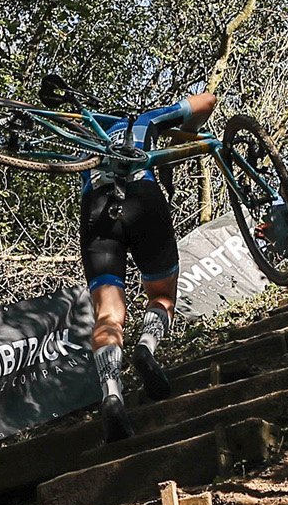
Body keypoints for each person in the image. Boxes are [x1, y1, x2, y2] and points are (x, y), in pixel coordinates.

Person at [83, 90, 217, 443]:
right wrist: (182, 129)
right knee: (162, 295)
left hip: (97, 208)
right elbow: (208, 100)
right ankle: (145, 346)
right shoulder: (142, 121)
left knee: (108, 315)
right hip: (142, 197)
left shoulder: (87, 134)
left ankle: (111, 392)